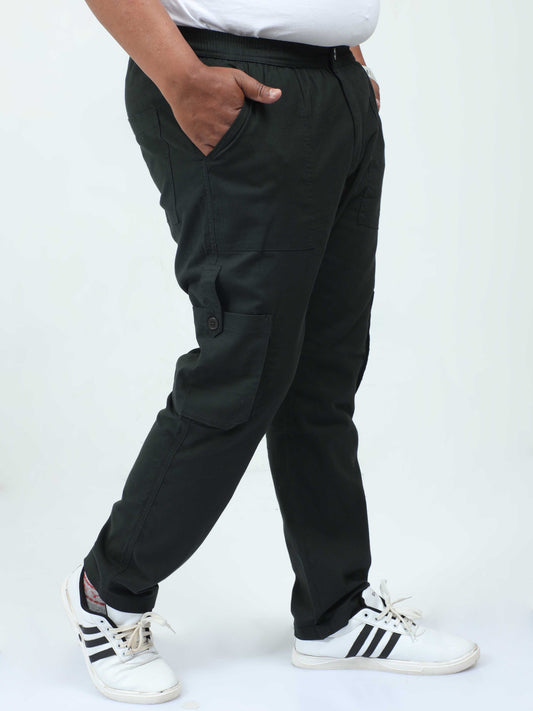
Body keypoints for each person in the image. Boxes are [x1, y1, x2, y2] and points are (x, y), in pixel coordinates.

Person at [61, 0, 480, 704]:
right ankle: (108, 594)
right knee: (242, 369)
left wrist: (339, 56)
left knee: (323, 372)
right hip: (232, 79)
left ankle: (333, 611)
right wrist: (182, 78)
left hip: (333, 85)